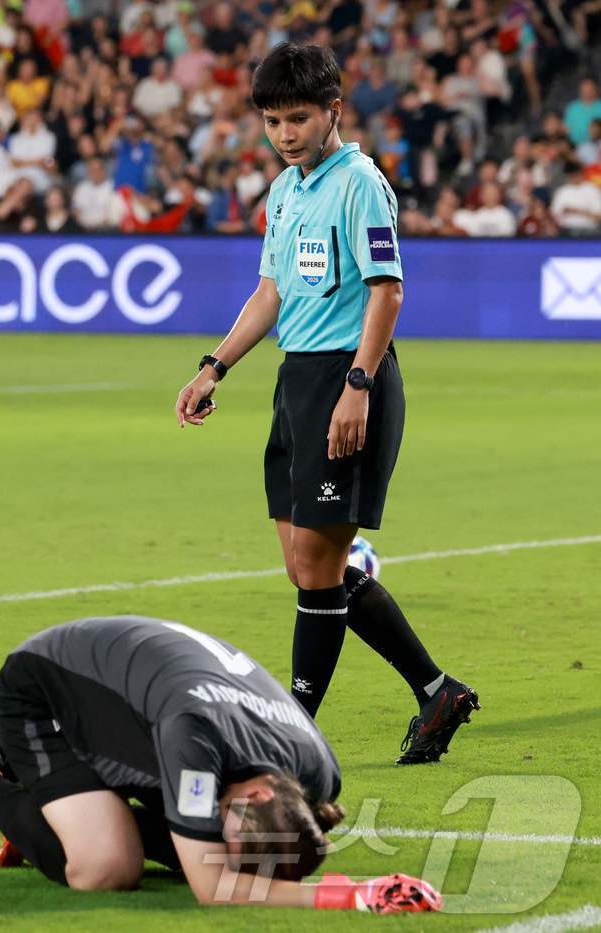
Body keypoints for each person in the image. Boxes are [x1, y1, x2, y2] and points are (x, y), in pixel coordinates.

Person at [172, 44, 478, 764]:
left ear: (333, 110)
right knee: (311, 567)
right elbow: (270, 292)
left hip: (350, 379)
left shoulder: (359, 183)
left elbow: (387, 289)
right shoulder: (286, 189)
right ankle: (436, 689)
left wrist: (359, 385)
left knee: (318, 567)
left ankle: (288, 729)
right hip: (297, 383)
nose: (284, 134)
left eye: (298, 118)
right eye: (273, 121)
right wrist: (215, 366)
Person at [0, 617, 442, 914]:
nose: (224, 843)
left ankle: (65, 814)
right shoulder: (195, 740)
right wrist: (354, 893)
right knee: (106, 868)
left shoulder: (319, 775)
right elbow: (211, 887)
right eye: (232, 830)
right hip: (47, 695)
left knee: (196, 845)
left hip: (132, 706)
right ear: (262, 794)